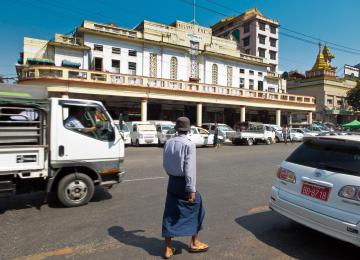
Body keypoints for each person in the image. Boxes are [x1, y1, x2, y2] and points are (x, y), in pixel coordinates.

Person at [162, 117, 208, 259]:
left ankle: (168, 248)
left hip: (172, 182)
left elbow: (165, 164)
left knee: (170, 212)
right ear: (188, 130)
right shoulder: (189, 144)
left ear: (176, 128)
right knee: (198, 207)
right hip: (183, 183)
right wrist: (191, 189)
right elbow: (189, 169)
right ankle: (194, 242)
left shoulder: (168, 143)